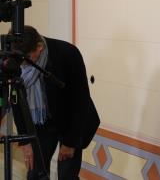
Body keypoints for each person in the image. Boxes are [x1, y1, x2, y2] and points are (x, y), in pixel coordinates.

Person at [11, 25, 100, 180]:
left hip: (71, 123)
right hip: (42, 123)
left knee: (67, 176)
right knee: (35, 173)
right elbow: (17, 101)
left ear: (39, 47)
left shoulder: (67, 53)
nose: (23, 66)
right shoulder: (15, 61)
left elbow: (81, 101)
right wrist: (25, 140)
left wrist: (70, 143)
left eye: (28, 59)